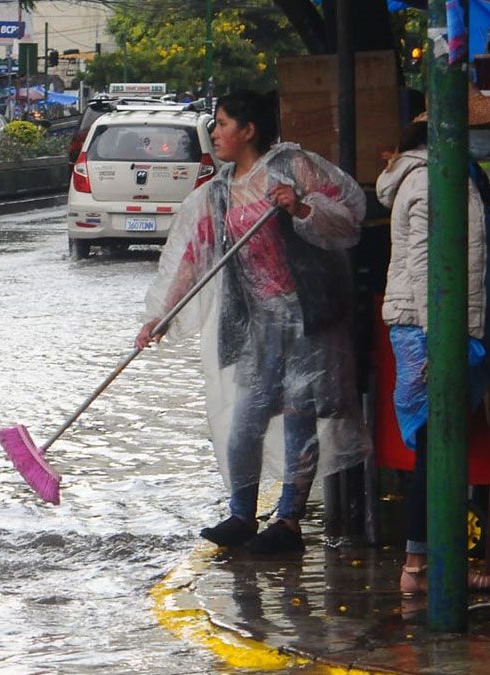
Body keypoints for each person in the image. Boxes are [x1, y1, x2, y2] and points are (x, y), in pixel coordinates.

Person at [134, 90, 370, 555]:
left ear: (249, 130)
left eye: (222, 124)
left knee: (300, 417)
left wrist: (301, 207)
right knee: (245, 421)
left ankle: (288, 522)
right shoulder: (219, 192)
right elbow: (193, 260)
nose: (215, 133)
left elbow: (348, 220)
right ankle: (242, 513)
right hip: (257, 325)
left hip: (307, 317)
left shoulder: (291, 167)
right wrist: (163, 315)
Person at [377, 85, 490, 594]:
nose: (485, 138)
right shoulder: (430, 180)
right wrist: (437, 340)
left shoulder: (455, 175)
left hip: (441, 327)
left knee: (440, 444)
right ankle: (421, 567)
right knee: (435, 445)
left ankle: (428, 562)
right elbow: (425, 268)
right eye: (478, 127)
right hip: (430, 329)